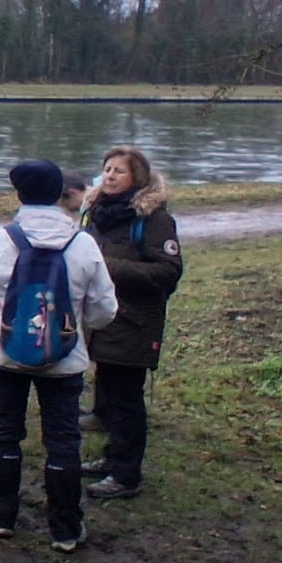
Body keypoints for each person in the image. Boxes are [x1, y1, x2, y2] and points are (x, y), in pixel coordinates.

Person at [0, 159, 118, 552]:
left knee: (6, 432)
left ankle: (1, 514)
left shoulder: (1, 240)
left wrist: (5, 323)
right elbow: (105, 309)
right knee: (63, 440)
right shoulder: (83, 244)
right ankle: (65, 528)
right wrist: (76, 325)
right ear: (59, 195)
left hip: (5, 355)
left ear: (19, 195)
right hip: (65, 359)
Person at [81, 145, 182, 500]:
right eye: (107, 169)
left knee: (127, 399)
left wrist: (106, 267)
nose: (110, 176)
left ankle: (126, 476)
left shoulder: (154, 219)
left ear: (136, 178)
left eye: (118, 171)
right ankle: (113, 458)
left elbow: (168, 272)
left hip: (135, 321)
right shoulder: (97, 212)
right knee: (108, 392)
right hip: (102, 319)